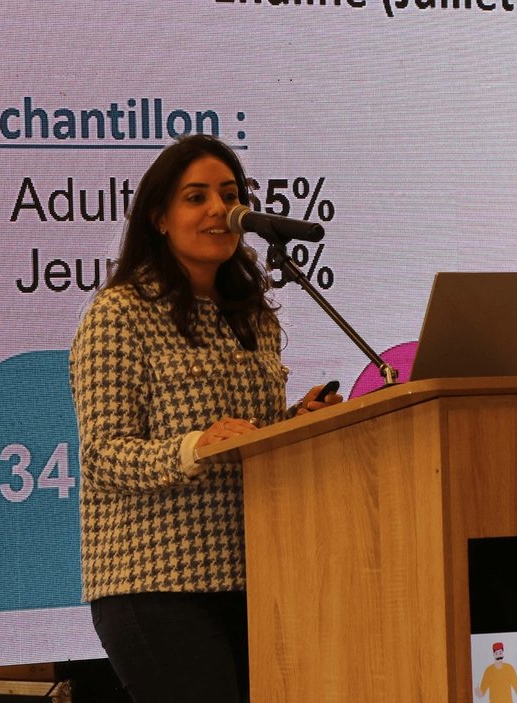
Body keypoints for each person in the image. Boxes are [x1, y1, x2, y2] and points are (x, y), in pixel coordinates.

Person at [69, 134, 339, 703]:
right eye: (197, 197)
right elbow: (101, 455)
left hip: (256, 572)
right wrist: (194, 446)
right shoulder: (119, 314)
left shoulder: (251, 314)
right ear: (160, 218)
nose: (219, 209)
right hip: (154, 581)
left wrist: (299, 420)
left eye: (230, 195)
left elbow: (250, 438)